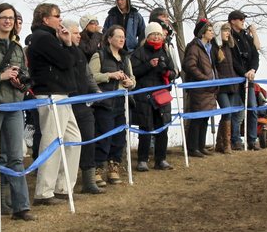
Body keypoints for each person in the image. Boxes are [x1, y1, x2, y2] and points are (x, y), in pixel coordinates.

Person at [0, 3, 34, 220]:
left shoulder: (18, 48)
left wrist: (19, 84)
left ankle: (21, 206)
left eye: (11, 18)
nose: (7, 21)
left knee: (15, 157)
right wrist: (0, 76)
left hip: (14, 105)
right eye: (3, 17)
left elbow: (25, 76)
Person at [26, 3, 81, 204]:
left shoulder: (54, 38)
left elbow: (75, 59)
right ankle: (44, 192)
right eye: (57, 16)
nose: (60, 19)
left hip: (62, 94)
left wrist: (68, 42)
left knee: (74, 139)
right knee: (51, 143)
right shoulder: (42, 38)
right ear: (45, 19)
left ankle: (63, 186)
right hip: (50, 95)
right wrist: (65, 47)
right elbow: (66, 63)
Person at [89, 24, 135, 181]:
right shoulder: (99, 55)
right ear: (109, 38)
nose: (122, 39)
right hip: (104, 103)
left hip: (122, 103)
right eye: (118, 36)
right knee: (103, 136)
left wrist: (130, 82)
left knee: (119, 138)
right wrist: (109, 75)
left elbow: (133, 79)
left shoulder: (126, 58)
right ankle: (97, 170)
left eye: (123, 37)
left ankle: (113, 167)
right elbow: (91, 76)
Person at [64, 21, 103, 194]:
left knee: (88, 138)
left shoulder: (80, 52)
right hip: (66, 102)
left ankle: (89, 181)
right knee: (68, 143)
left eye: (78, 33)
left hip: (83, 103)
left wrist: (96, 91)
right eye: (75, 33)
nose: (79, 35)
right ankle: (64, 182)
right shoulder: (61, 52)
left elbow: (88, 75)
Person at [131, 22, 175, 170]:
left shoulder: (165, 51)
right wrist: (149, 65)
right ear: (147, 36)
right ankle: (142, 160)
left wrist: (166, 72)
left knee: (163, 127)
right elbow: (133, 72)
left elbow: (174, 72)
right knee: (145, 128)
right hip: (144, 96)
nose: (156, 37)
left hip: (162, 95)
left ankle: (161, 159)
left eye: (158, 34)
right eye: (153, 34)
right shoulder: (139, 52)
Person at [181, 18, 217, 157]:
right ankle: (193, 147)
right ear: (202, 33)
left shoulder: (209, 47)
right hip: (199, 88)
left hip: (209, 88)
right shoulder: (195, 47)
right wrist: (204, 78)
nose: (212, 33)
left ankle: (201, 146)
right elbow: (189, 66)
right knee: (197, 118)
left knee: (205, 118)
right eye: (209, 30)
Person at [228, 10, 261, 149]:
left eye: (243, 19)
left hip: (250, 78)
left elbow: (255, 54)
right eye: (240, 19)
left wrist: (253, 70)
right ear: (232, 21)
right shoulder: (229, 37)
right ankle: (235, 140)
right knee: (237, 111)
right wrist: (244, 73)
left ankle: (252, 140)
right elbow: (232, 60)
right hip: (237, 79)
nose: (243, 21)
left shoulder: (247, 37)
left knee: (252, 109)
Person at [213, 23, 239, 153]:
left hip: (232, 84)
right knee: (227, 111)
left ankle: (219, 143)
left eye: (229, 30)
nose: (228, 33)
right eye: (225, 30)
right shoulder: (214, 48)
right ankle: (227, 144)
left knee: (228, 114)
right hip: (221, 86)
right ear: (219, 31)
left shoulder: (229, 47)